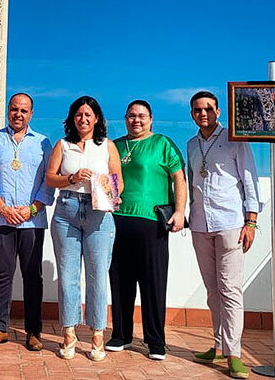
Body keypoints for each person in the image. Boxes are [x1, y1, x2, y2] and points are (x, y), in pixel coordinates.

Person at [187, 91, 262, 380]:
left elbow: (250, 180)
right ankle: (218, 346)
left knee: (230, 290)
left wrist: (251, 221)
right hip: (200, 225)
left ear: (218, 111)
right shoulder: (192, 144)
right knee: (213, 290)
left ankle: (235, 354)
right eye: (197, 109)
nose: (202, 113)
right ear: (191, 113)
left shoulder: (235, 138)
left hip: (231, 223)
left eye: (208, 108)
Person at [107, 99, 187, 361]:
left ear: (151, 119)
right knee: (120, 281)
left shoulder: (162, 143)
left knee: (153, 283)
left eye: (141, 116)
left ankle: (155, 341)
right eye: (131, 115)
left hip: (152, 223)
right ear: (125, 118)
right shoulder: (115, 145)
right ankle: (121, 334)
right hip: (117, 220)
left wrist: (179, 211)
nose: (136, 120)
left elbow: (179, 178)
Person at [44, 96, 123, 361]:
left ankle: (97, 335)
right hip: (66, 211)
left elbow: (117, 181)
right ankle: (68, 333)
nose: (83, 119)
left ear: (97, 118)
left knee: (97, 276)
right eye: (79, 114)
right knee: (68, 277)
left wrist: (112, 193)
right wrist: (72, 178)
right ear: (72, 118)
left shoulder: (107, 146)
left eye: (88, 114)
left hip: (99, 214)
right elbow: (50, 179)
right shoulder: (62, 145)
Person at [0, 93, 54, 352]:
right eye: (14, 109)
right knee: (3, 274)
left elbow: (49, 180)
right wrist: (3, 208)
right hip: (1, 219)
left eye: (24, 110)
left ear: (31, 114)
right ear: (7, 111)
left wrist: (32, 209)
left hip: (32, 221)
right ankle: (0, 328)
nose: (18, 114)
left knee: (33, 276)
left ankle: (34, 331)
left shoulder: (43, 143)